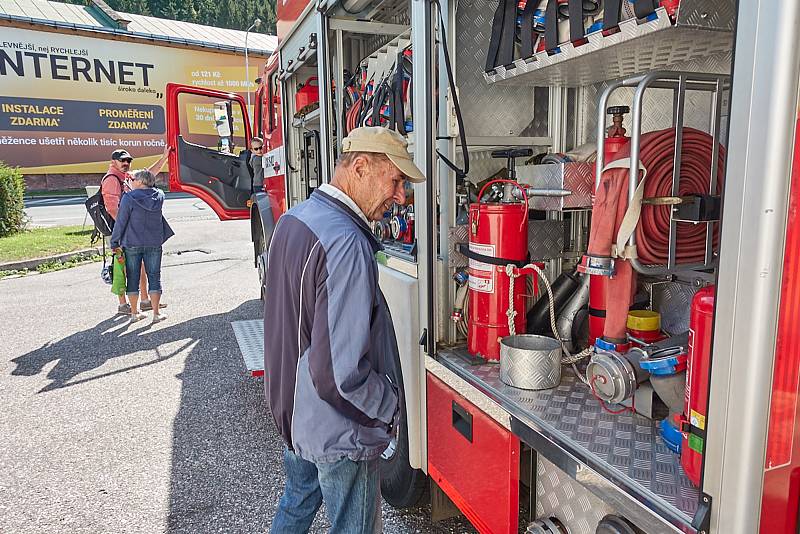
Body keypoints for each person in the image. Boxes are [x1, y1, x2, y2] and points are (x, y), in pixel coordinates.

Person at [263, 126, 426, 534]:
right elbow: (340, 374)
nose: (401, 197)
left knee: (296, 505)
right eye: (396, 180)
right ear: (360, 167)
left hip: (295, 412)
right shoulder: (347, 244)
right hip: (338, 431)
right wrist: (389, 408)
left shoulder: (294, 220)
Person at [101, 146, 170, 314]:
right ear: (113, 162)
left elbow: (147, 176)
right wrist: (127, 227)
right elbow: (112, 208)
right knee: (124, 268)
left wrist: (163, 159)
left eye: (128, 160)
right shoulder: (112, 179)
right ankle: (124, 305)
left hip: (129, 229)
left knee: (139, 268)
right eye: (122, 160)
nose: (126, 163)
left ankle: (145, 300)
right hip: (121, 228)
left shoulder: (126, 177)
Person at [109, 169, 174, 324]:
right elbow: (155, 189)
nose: (130, 181)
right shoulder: (159, 196)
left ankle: (134, 313)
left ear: (139, 181)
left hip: (132, 243)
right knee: (154, 276)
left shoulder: (128, 198)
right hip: (154, 242)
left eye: (132, 179)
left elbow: (121, 222)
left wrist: (114, 242)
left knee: (132, 277)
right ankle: (156, 313)